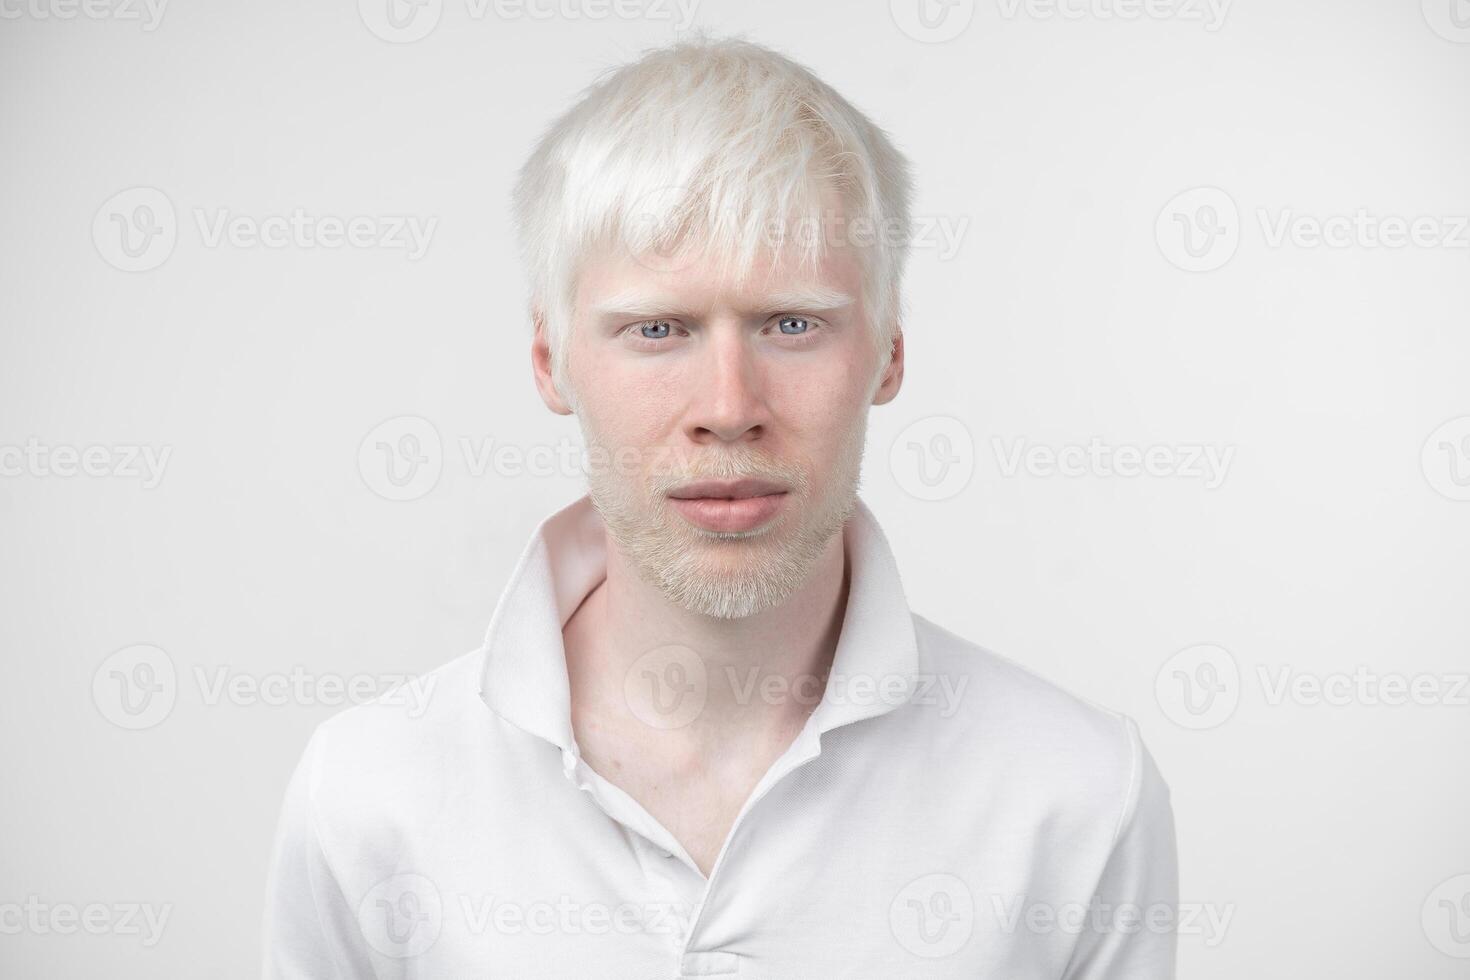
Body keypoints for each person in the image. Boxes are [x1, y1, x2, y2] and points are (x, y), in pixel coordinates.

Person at [263, 32, 1177, 979]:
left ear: (890, 351)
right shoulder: (370, 793)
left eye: (792, 324)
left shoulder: (1076, 797)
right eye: (657, 329)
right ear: (550, 360)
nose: (729, 410)